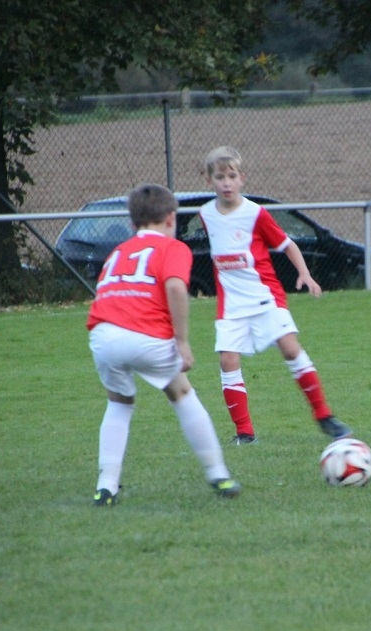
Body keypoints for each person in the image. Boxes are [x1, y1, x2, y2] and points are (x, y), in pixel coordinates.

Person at [86, 183, 241, 505]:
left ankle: (106, 485)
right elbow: (175, 287)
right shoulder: (173, 248)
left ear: (132, 223)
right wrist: (181, 341)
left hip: (102, 334)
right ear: (171, 218)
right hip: (145, 336)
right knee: (181, 393)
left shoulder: (119, 251)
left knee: (118, 403)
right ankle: (218, 474)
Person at [198, 146, 352, 445]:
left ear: (242, 178)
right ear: (209, 180)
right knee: (227, 360)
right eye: (220, 177)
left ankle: (324, 416)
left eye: (232, 176)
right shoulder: (206, 215)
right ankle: (245, 433)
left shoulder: (256, 213)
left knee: (290, 349)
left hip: (264, 295)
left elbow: (287, 245)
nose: (226, 183)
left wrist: (305, 274)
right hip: (231, 304)